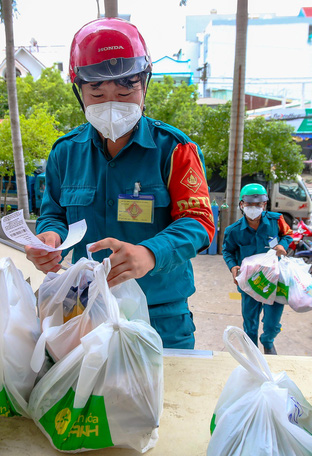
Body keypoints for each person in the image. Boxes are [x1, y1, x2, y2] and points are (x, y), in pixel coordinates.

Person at [24, 18, 215, 349]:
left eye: (125, 89)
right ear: (79, 91)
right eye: (97, 92)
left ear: (145, 84)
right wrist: (50, 236)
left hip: (159, 314)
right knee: (84, 398)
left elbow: (199, 222)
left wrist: (149, 253)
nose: (111, 102)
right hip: (82, 306)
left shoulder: (174, 149)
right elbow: (53, 212)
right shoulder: (65, 153)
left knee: (162, 398)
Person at [222, 184, 293, 355]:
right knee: (250, 323)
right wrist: (233, 267)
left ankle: (267, 340)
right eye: (250, 205)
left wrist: (283, 245)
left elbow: (288, 234)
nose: (254, 208)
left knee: (272, 322)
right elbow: (228, 251)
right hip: (250, 283)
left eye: (258, 205)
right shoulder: (233, 231)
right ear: (241, 205)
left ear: (264, 205)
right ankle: (253, 353)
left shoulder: (276, 221)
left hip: (275, 280)